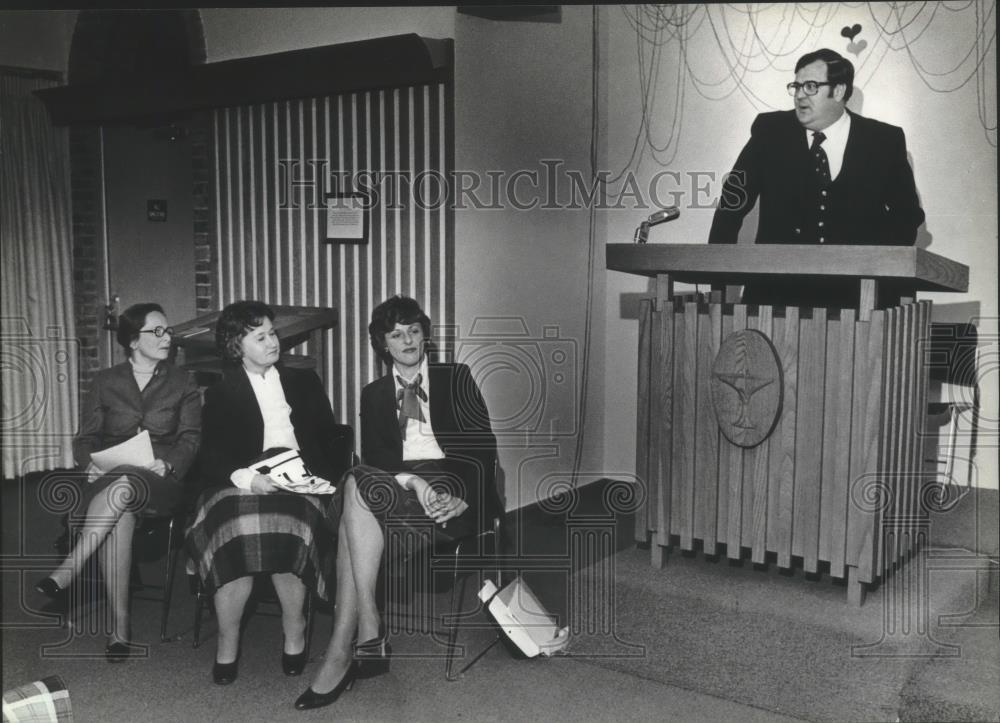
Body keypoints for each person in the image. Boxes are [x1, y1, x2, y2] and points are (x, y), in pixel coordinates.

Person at [295, 295, 501, 710]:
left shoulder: (455, 377)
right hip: (399, 484)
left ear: (425, 335)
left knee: (354, 489)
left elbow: (483, 449)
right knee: (359, 479)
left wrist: (462, 497)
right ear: (382, 344)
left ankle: (354, 641)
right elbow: (379, 463)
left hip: (451, 483)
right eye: (396, 333)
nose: (407, 339)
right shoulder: (373, 395)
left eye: (413, 330)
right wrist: (411, 481)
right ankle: (364, 628)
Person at [185, 300, 347, 685]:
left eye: (272, 333)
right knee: (233, 526)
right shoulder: (222, 393)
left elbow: (328, 440)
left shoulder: (302, 382)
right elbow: (212, 459)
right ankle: (228, 639)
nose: (272, 341)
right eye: (260, 337)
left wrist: (318, 478)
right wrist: (248, 478)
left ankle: (295, 625)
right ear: (237, 346)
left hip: (297, 481)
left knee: (289, 521)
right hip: (240, 482)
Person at [35, 303, 201, 662]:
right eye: (156, 331)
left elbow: (190, 438)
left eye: (168, 330)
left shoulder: (183, 382)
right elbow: (85, 439)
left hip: (161, 483)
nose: (166, 337)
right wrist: (88, 465)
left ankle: (71, 568)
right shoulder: (105, 381)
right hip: (111, 483)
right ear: (132, 340)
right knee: (120, 508)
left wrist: (168, 464)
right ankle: (120, 629)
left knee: (126, 483)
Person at [708, 48, 926, 307]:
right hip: (774, 298)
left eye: (811, 86)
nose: (800, 95)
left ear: (839, 91)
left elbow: (907, 217)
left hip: (858, 301)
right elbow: (731, 206)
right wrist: (717, 286)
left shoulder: (883, 140)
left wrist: (871, 266)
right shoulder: (770, 131)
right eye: (796, 86)